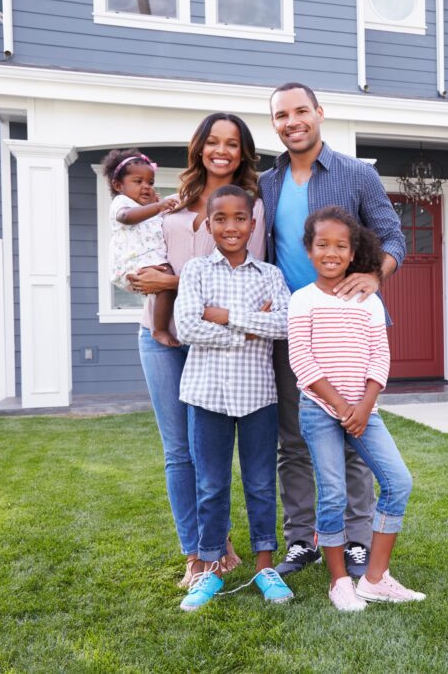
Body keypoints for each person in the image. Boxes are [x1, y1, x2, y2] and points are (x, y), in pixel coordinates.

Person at [259, 82, 406, 578]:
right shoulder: (266, 183)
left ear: (319, 113)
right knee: (295, 440)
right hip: (295, 328)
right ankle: (302, 540)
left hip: (351, 328)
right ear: (274, 123)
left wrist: (375, 274)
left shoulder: (357, 174)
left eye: (301, 110)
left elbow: (393, 237)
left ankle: (358, 540)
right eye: (281, 115)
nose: (292, 121)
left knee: (355, 437)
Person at [129, 113, 265, 587]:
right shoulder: (170, 201)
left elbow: (246, 282)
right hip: (160, 336)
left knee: (212, 451)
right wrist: (143, 277)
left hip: (214, 344)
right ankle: (198, 550)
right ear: (199, 147)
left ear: (243, 151)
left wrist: (170, 279)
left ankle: (217, 539)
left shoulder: (252, 208)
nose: (221, 150)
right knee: (177, 451)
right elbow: (143, 259)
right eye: (212, 141)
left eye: (231, 143)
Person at [289, 207, 423, 611]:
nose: (331, 252)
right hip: (319, 409)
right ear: (309, 251)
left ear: (352, 253)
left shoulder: (369, 301)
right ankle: (339, 581)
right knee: (332, 494)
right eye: (322, 244)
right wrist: (343, 406)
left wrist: (364, 407)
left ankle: (375, 579)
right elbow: (302, 361)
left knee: (398, 483)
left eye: (340, 246)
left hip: (366, 410)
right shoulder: (302, 300)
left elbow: (380, 358)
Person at [174, 185, 293, 611]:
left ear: (252, 223)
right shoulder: (195, 272)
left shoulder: (271, 276)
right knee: (210, 484)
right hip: (206, 395)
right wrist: (249, 326)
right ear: (209, 225)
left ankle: (265, 566)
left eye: (239, 218)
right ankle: (209, 568)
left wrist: (223, 316)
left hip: (258, 395)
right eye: (220, 219)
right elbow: (187, 327)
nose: (230, 226)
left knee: (261, 483)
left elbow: (283, 325)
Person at [102, 149, 179, 347]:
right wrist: (158, 206)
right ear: (119, 185)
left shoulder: (148, 208)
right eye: (138, 182)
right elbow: (126, 217)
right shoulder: (122, 202)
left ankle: (161, 326)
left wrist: (158, 207)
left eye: (150, 182)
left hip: (149, 259)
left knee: (165, 283)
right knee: (166, 282)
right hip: (134, 261)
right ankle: (159, 329)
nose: (146, 187)